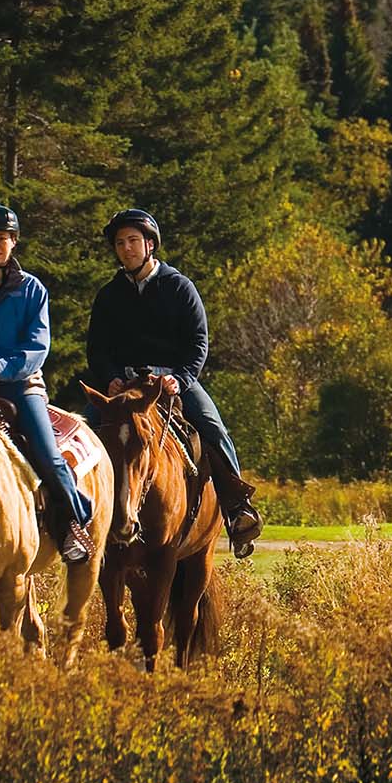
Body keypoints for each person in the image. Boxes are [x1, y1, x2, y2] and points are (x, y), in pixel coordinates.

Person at [84, 208, 262, 556]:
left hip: (173, 380)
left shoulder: (180, 287)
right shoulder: (108, 295)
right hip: (126, 383)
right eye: (120, 243)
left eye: (133, 241)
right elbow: (97, 348)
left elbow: (199, 343)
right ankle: (75, 517)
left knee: (213, 427)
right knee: (85, 431)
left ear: (150, 244)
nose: (126, 248)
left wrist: (179, 380)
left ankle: (237, 509)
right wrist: (110, 379)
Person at [0, 203, 93, 565]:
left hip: (22, 385)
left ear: (14, 242)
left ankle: (74, 523)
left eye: (2, 238)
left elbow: (38, 346)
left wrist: (2, 367)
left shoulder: (33, 290)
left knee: (47, 453)